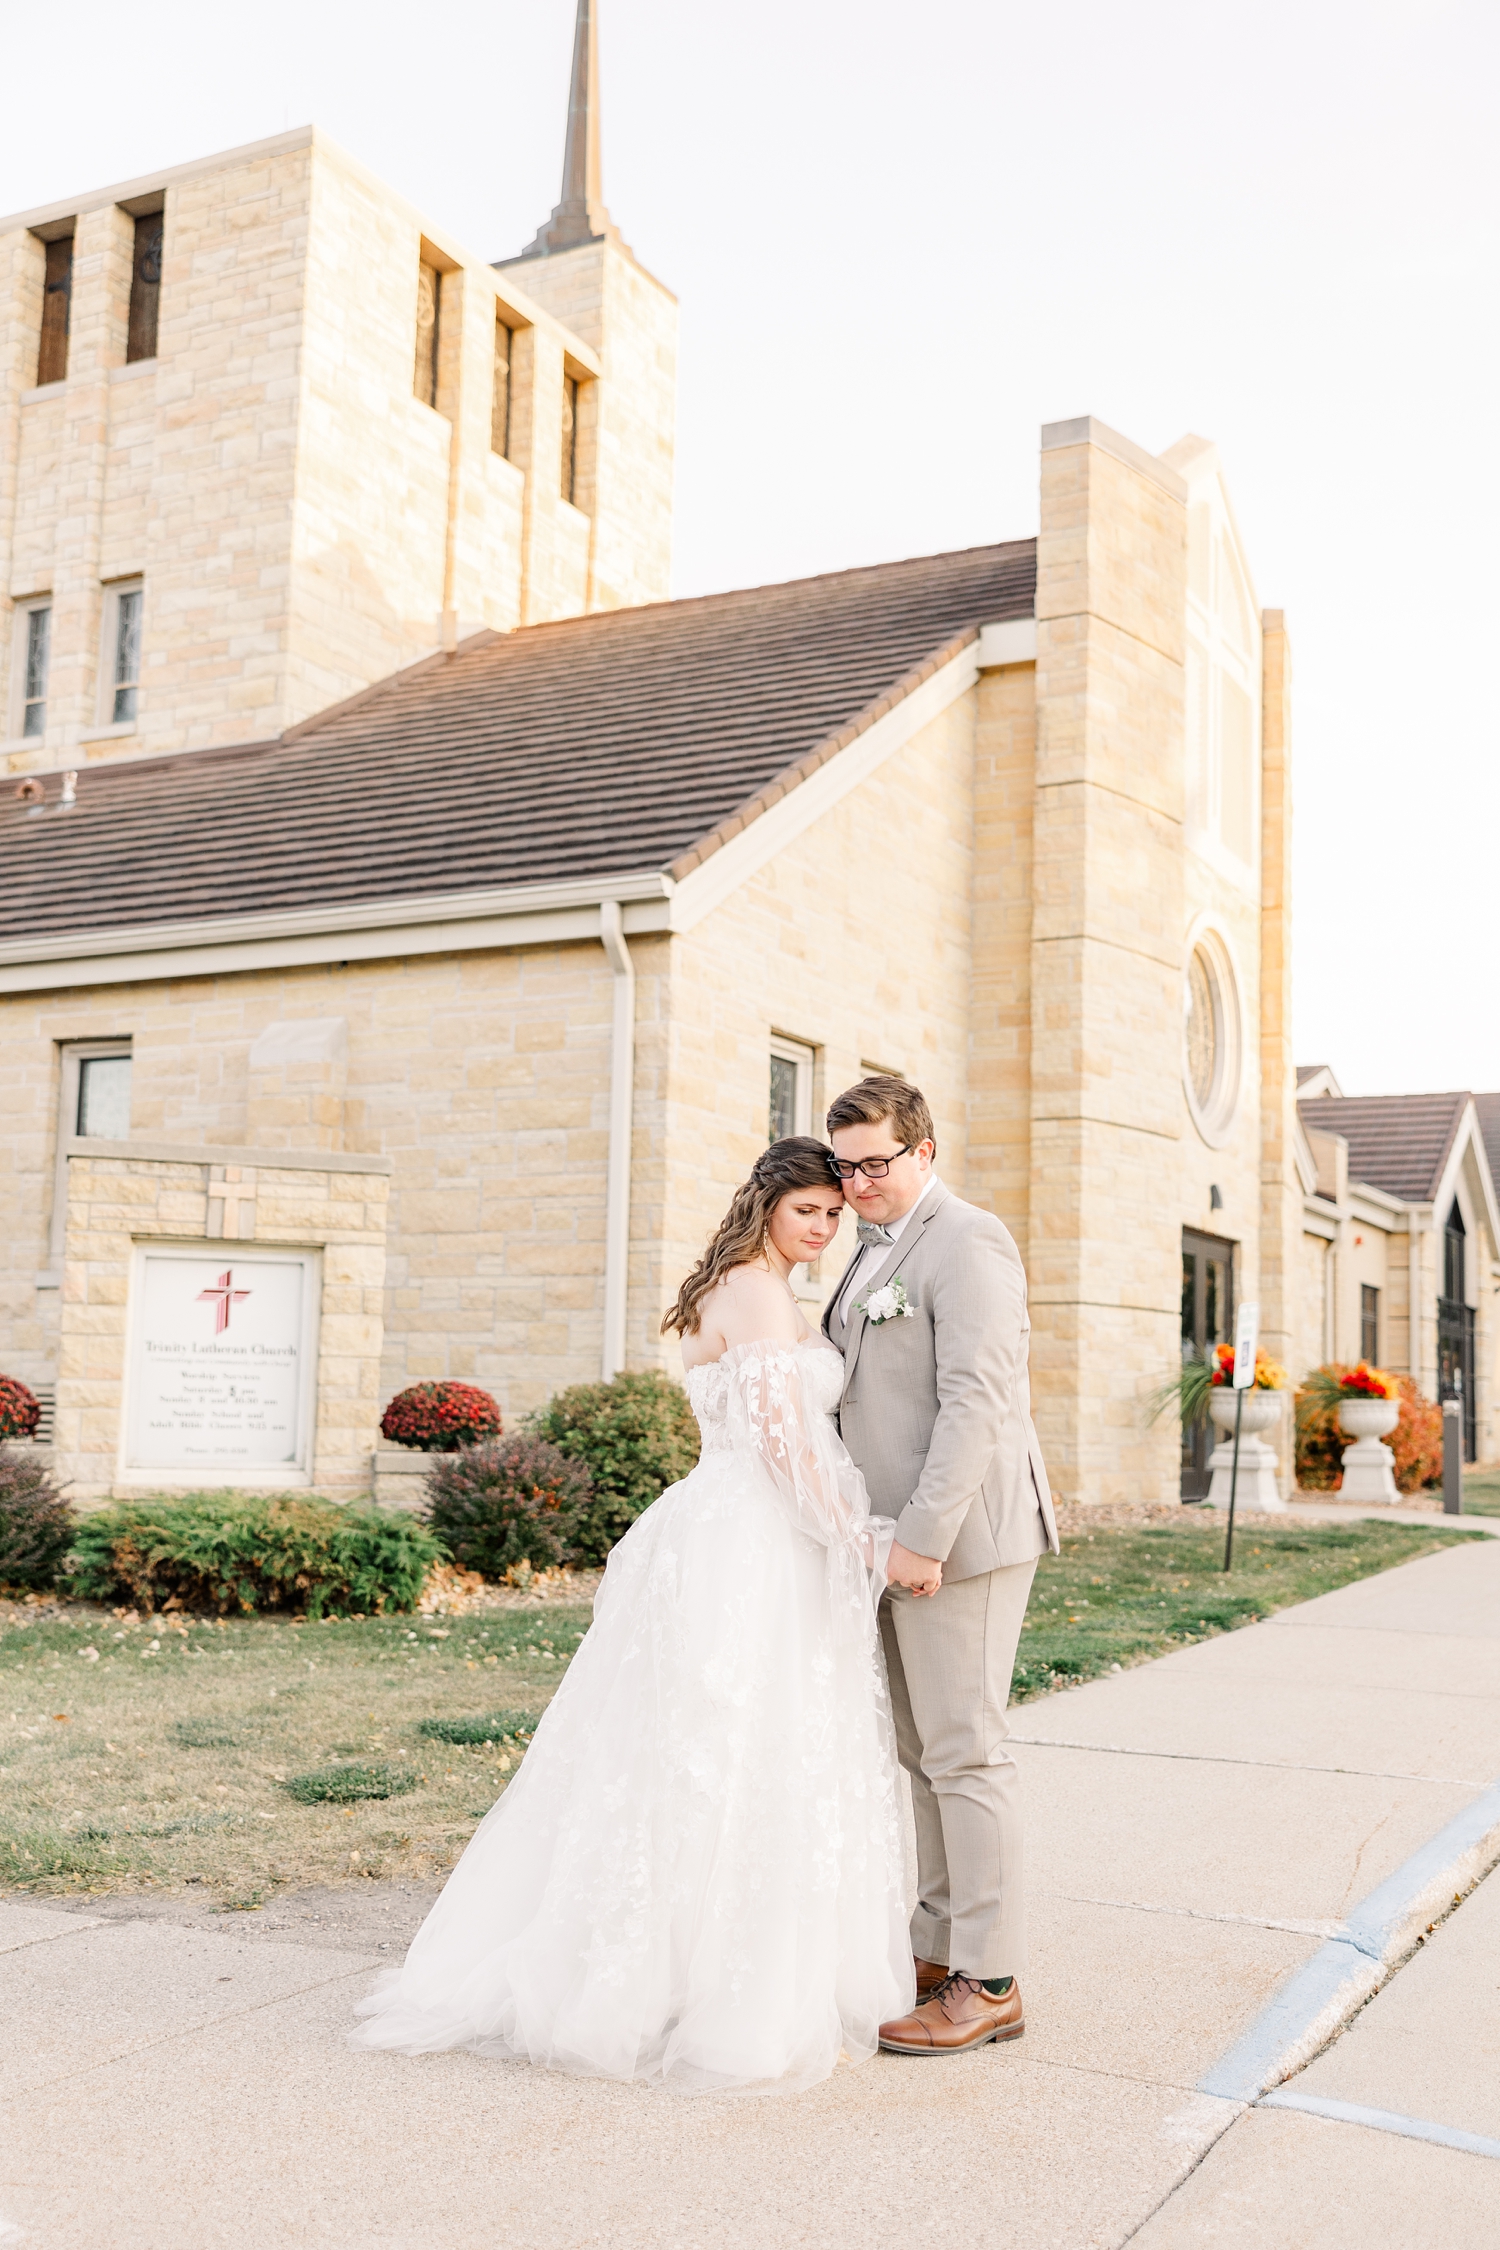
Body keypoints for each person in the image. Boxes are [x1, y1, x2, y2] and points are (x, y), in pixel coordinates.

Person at [352, 1136, 914, 2095]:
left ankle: (666, 1971)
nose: (825, 1227)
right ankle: (706, 1990)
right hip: (755, 1539)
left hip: (725, 1528)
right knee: (733, 1748)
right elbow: (782, 1447)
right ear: (767, 1204)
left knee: (694, 1749)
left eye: (834, 1213)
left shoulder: (739, 1284)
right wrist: (859, 1538)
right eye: (808, 1211)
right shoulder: (759, 1290)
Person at [823, 1075, 1057, 2057]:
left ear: (925, 1152)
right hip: (888, 1541)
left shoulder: (968, 1242)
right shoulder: (870, 1248)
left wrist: (922, 1536)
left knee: (965, 1752)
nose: (859, 1182)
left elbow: (977, 1403)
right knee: (920, 1756)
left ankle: (990, 1978)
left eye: (877, 1162)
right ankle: (936, 1950)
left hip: (960, 1538)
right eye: (845, 1165)